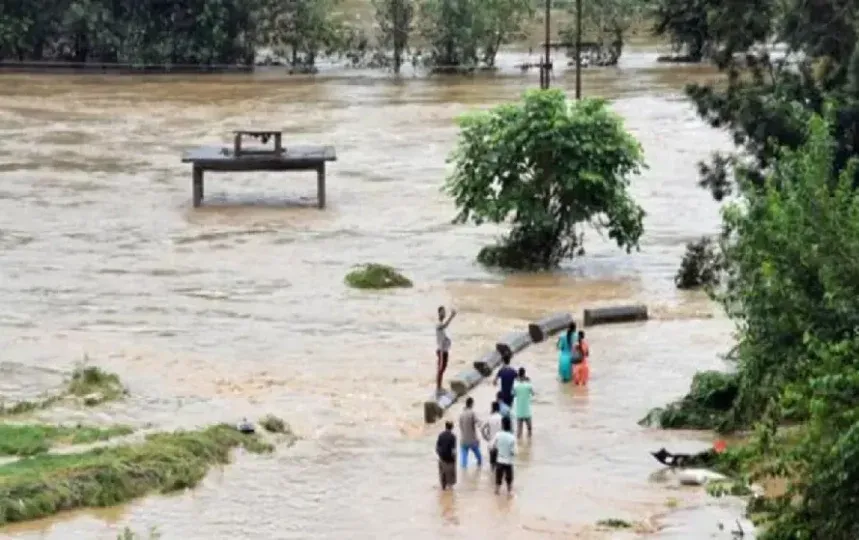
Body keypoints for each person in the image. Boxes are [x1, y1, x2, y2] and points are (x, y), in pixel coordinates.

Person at [490, 416, 517, 495]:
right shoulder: (512, 437)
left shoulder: (498, 435)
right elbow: (515, 452)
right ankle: (509, 494)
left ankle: (497, 493)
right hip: (509, 462)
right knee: (509, 481)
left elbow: (492, 446)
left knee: (498, 481)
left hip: (499, 461)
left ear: (502, 425)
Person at [435, 306, 457, 393]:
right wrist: (452, 316)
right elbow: (444, 326)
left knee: (443, 369)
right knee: (440, 369)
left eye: (444, 312)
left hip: (445, 351)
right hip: (441, 351)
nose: (444, 313)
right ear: (439, 313)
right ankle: (438, 388)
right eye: (442, 312)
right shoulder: (438, 324)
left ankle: (440, 386)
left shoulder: (441, 323)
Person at [458, 397, 482, 468]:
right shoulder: (472, 413)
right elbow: (479, 423)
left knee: (464, 460)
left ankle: (464, 474)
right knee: (479, 457)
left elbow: (461, 427)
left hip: (463, 440)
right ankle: (479, 468)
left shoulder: (461, 414)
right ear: (471, 404)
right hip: (472, 440)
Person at [481, 401, 503, 470]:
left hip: (491, 444)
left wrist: (486, 438)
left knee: (492, 466)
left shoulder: (489, 418)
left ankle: (492, 478)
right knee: (500, 466)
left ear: (492, 408)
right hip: (501, 444)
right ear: (499, 408)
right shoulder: (502, 418)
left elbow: (482, 429)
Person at [513, 367, 535, 439]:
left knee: (519, 431)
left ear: (518, 375)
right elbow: (533, 393)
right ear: (524, 374)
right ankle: (529, 444)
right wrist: (528, 381)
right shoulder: (528, 385)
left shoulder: (515, 385)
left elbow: (513, 394)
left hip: (519, 411)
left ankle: (519, 445)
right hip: (527, 411)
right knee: (529, 429)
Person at [436, 421, 457, 489]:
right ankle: (450, 489)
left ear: (445, 426)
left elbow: (437, 447)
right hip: (449, 458)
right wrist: (454, 458)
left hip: (441, 457)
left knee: (442, 474)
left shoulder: (440, 435)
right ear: (452, 427)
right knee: (450, 475)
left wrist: (439, 454)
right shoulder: (453, 436)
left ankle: (443, 487)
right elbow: (453, 449)